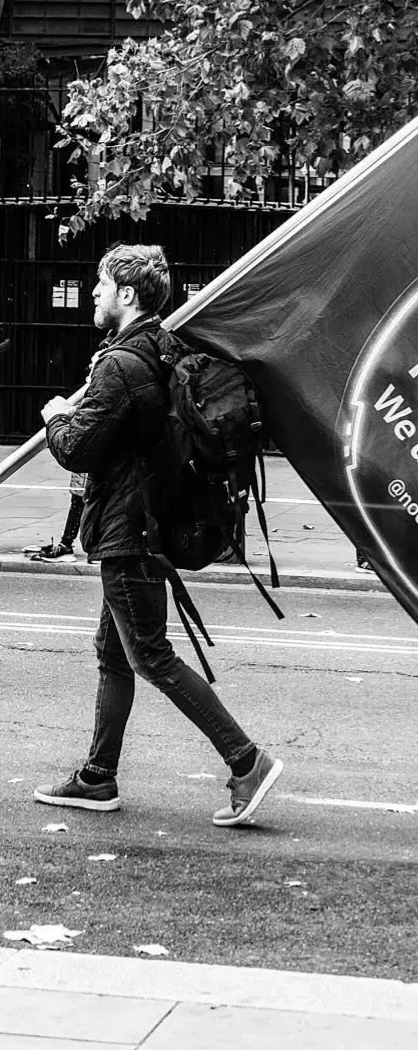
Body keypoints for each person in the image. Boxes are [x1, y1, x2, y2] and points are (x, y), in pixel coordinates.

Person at [33, 244, 283, 827]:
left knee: (149, 655)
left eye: (100, 284)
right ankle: (98, 776)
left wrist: (55, 416)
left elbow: (77, 449)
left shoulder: (121, 365)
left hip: (129, 530)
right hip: (150, 524)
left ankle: (247, 761)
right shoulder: (161, 349)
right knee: (113, 652)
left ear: (126, 294)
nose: (93, 293)